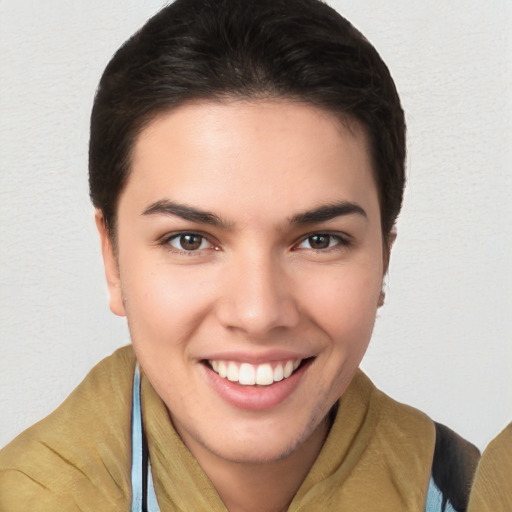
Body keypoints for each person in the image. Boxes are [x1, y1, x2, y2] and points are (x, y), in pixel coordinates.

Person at [0, 0, 480, 510]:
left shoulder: (470, 489)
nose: (257, 313)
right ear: (112, 258)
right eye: (190, 240)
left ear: (384, 255)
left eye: (319, 240)